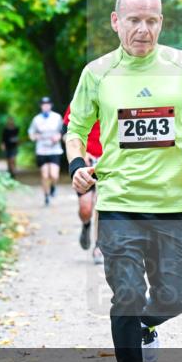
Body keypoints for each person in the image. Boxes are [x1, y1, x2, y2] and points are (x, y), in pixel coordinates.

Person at [66, 0, 182, 362]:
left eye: (152, 20)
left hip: (172, 204)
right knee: (127, 296)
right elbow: (75, 131)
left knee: (174, 298)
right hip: (118, 204)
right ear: (116, 22)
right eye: (134, 20)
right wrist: (78, 167)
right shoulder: (97, 73)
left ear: (161, 22)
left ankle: (148, 326)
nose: (143, 30)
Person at [63, 105, 104, 264]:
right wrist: (80, 153)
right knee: (86, 209)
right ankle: (86, 225)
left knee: (102, 205)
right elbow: (67, 133)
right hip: (87, 158)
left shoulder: (119, 93)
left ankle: (98, 247)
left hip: (108, 158)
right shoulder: (82, 98)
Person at [28, 96, 64, 206]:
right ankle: (46, 196)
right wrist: (35, 137)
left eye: (48, 104)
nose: (46, 106)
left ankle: (53, 186)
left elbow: (63, 130)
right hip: (42, 150)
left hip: (55, 150)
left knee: (54, 175)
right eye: (44, 104)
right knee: (44, 175)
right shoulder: (36, 119)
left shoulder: (57, 117)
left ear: (51, 105)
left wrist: (59, 136)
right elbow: (31, 132)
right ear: (41, 106)